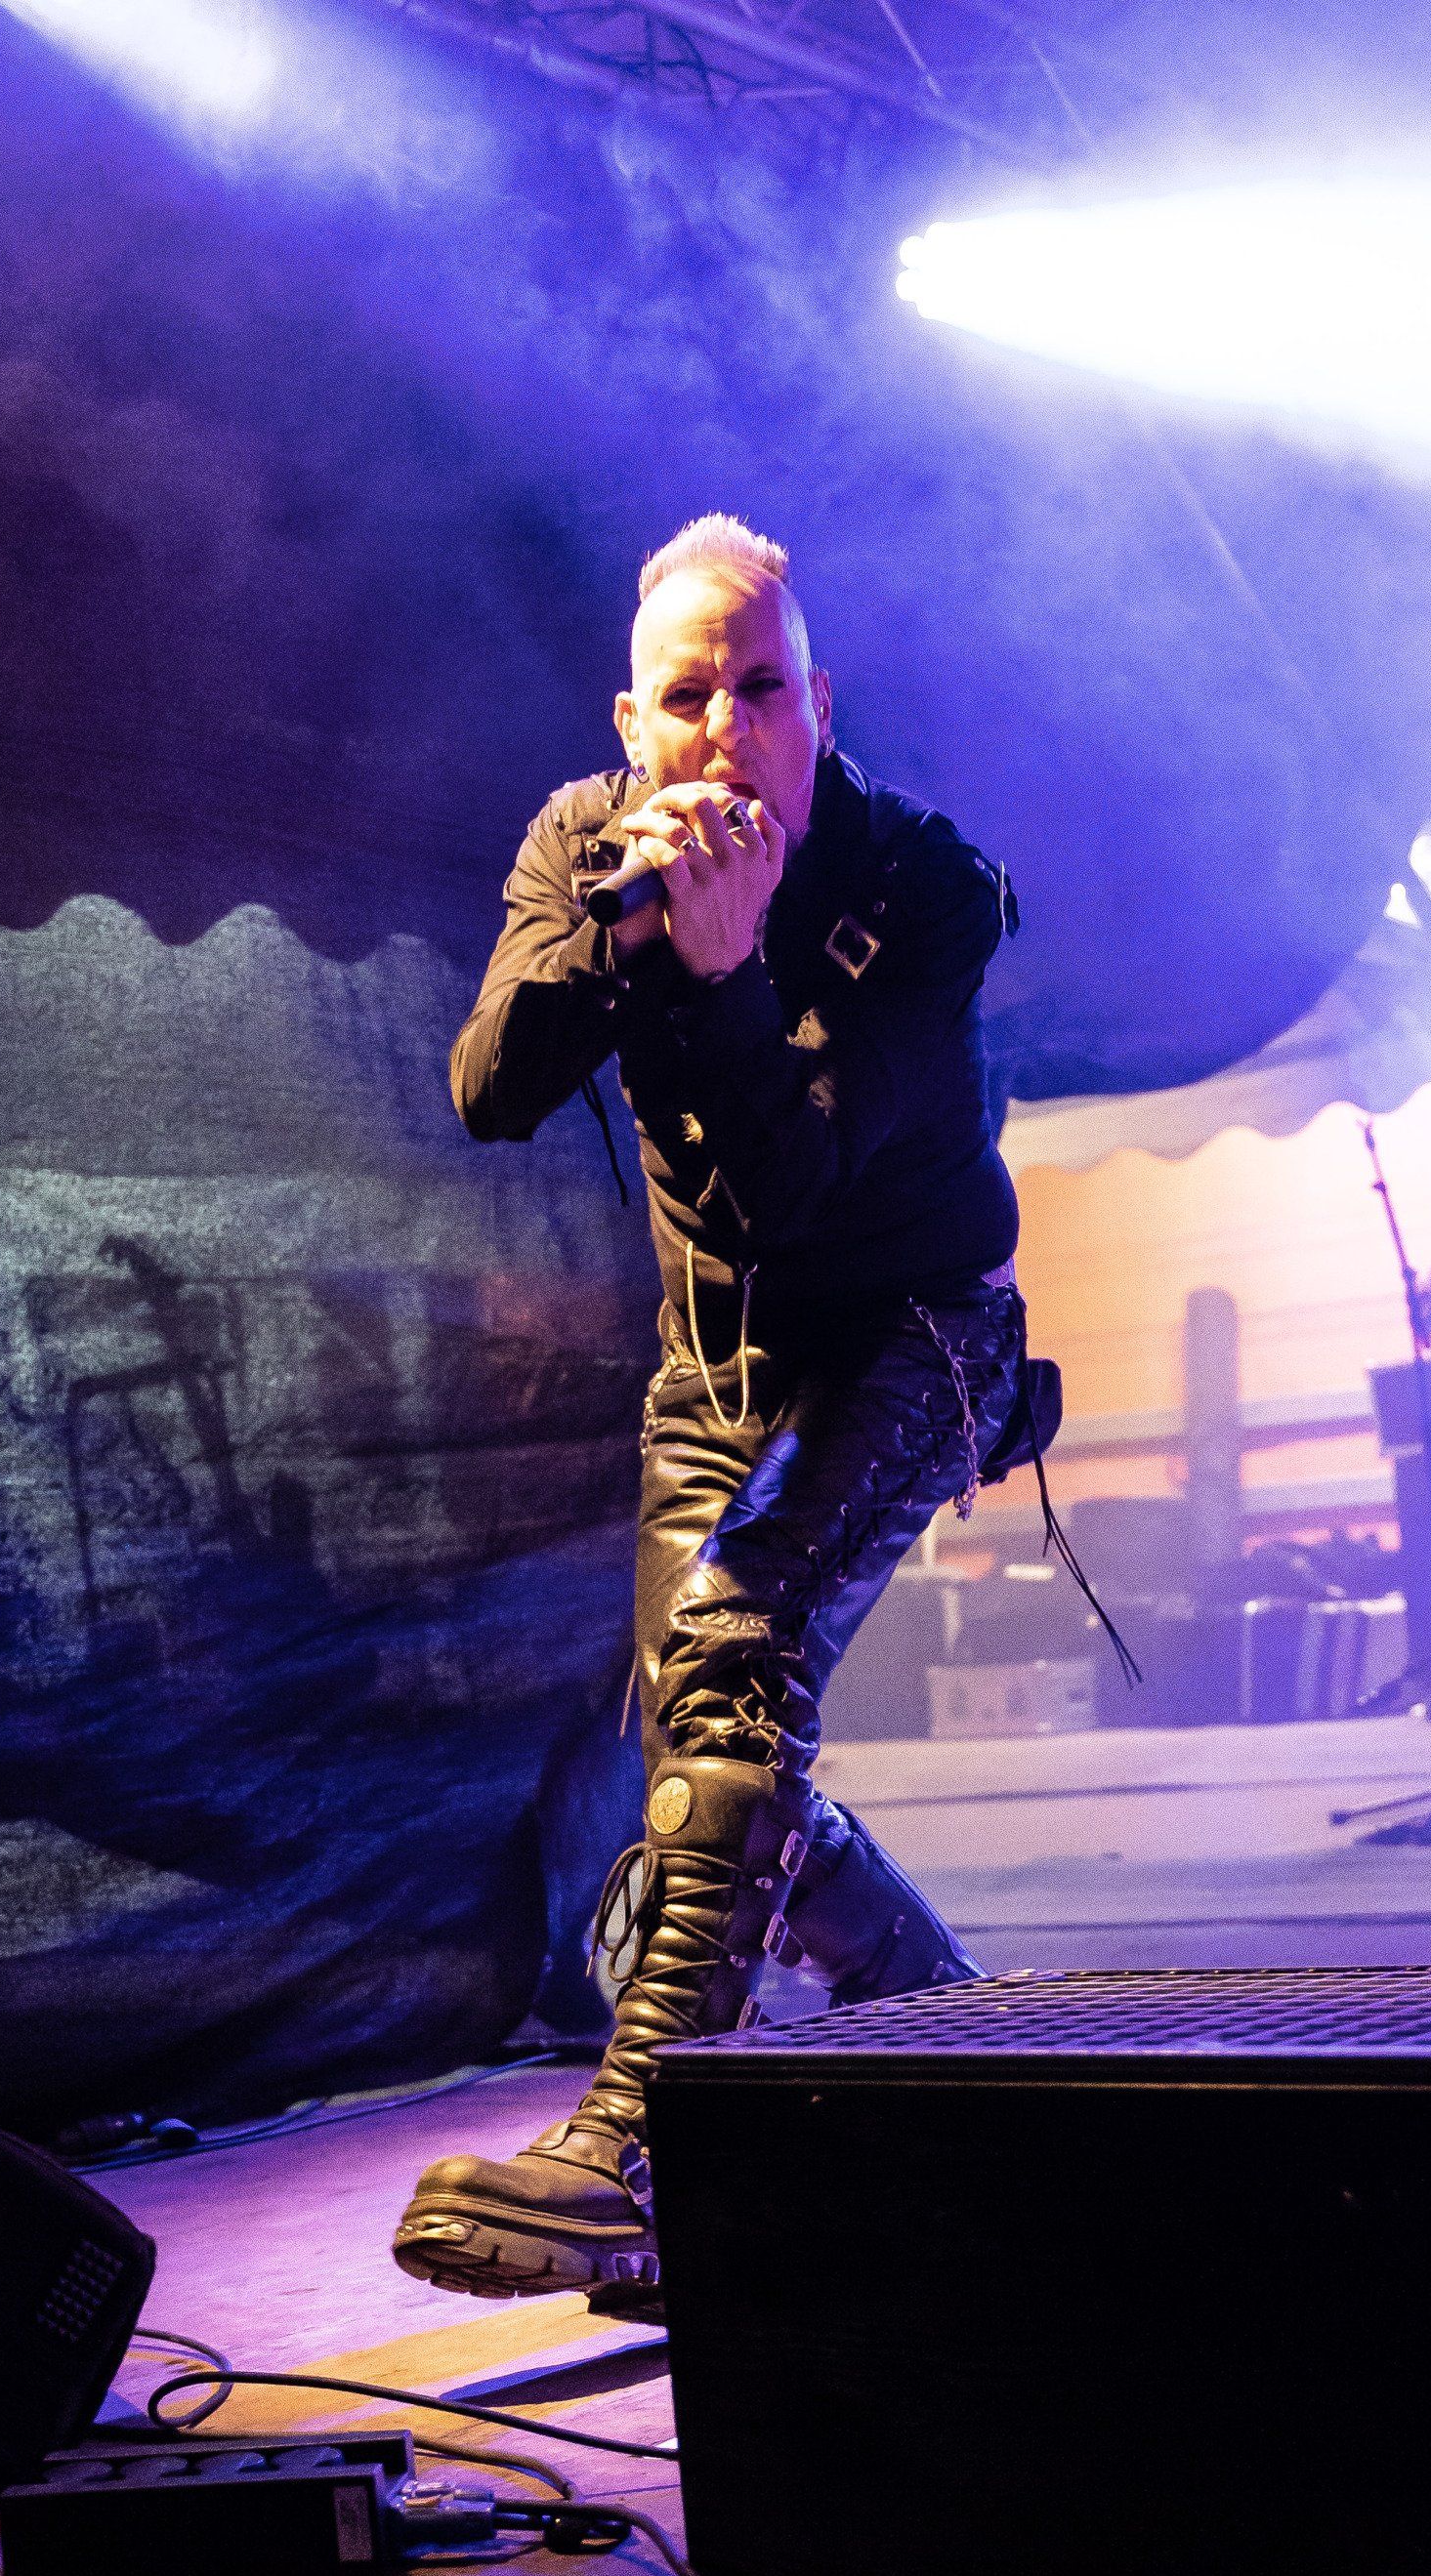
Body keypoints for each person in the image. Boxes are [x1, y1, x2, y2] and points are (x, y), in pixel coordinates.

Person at [394, 514, 1038, 2303]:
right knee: (713, 1761)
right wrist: (632, 932)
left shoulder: (925, 887)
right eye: (689, 698)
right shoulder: (584, 842)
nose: (727, 730)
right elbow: (488, 1086)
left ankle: (639, 2142)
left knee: (740, 1646)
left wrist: (728, 969)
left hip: (918, 1335)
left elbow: (792, 1197)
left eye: (763, 690)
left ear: (820, 705)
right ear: (633, 724)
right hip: (718, 1367)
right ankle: (965, 2045)